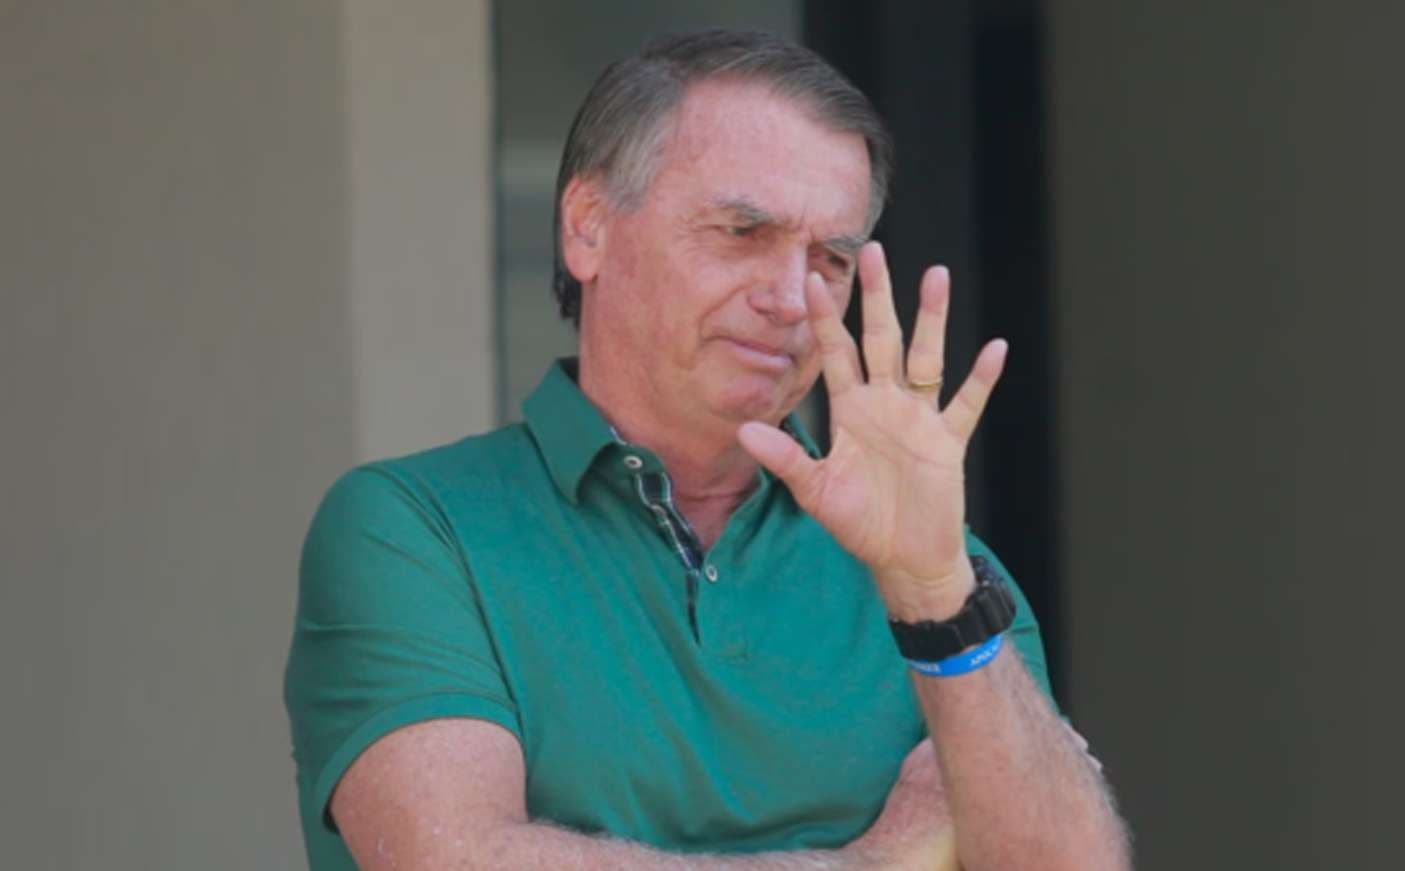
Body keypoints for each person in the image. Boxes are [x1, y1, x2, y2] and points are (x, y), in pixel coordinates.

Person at [284, 28, 1130, 871]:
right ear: (587, 228)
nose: (792, 297)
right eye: (741, 231)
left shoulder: (933, 566)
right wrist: (873, 860)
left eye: (831, 258)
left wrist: (937, 597)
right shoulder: (413, 528)